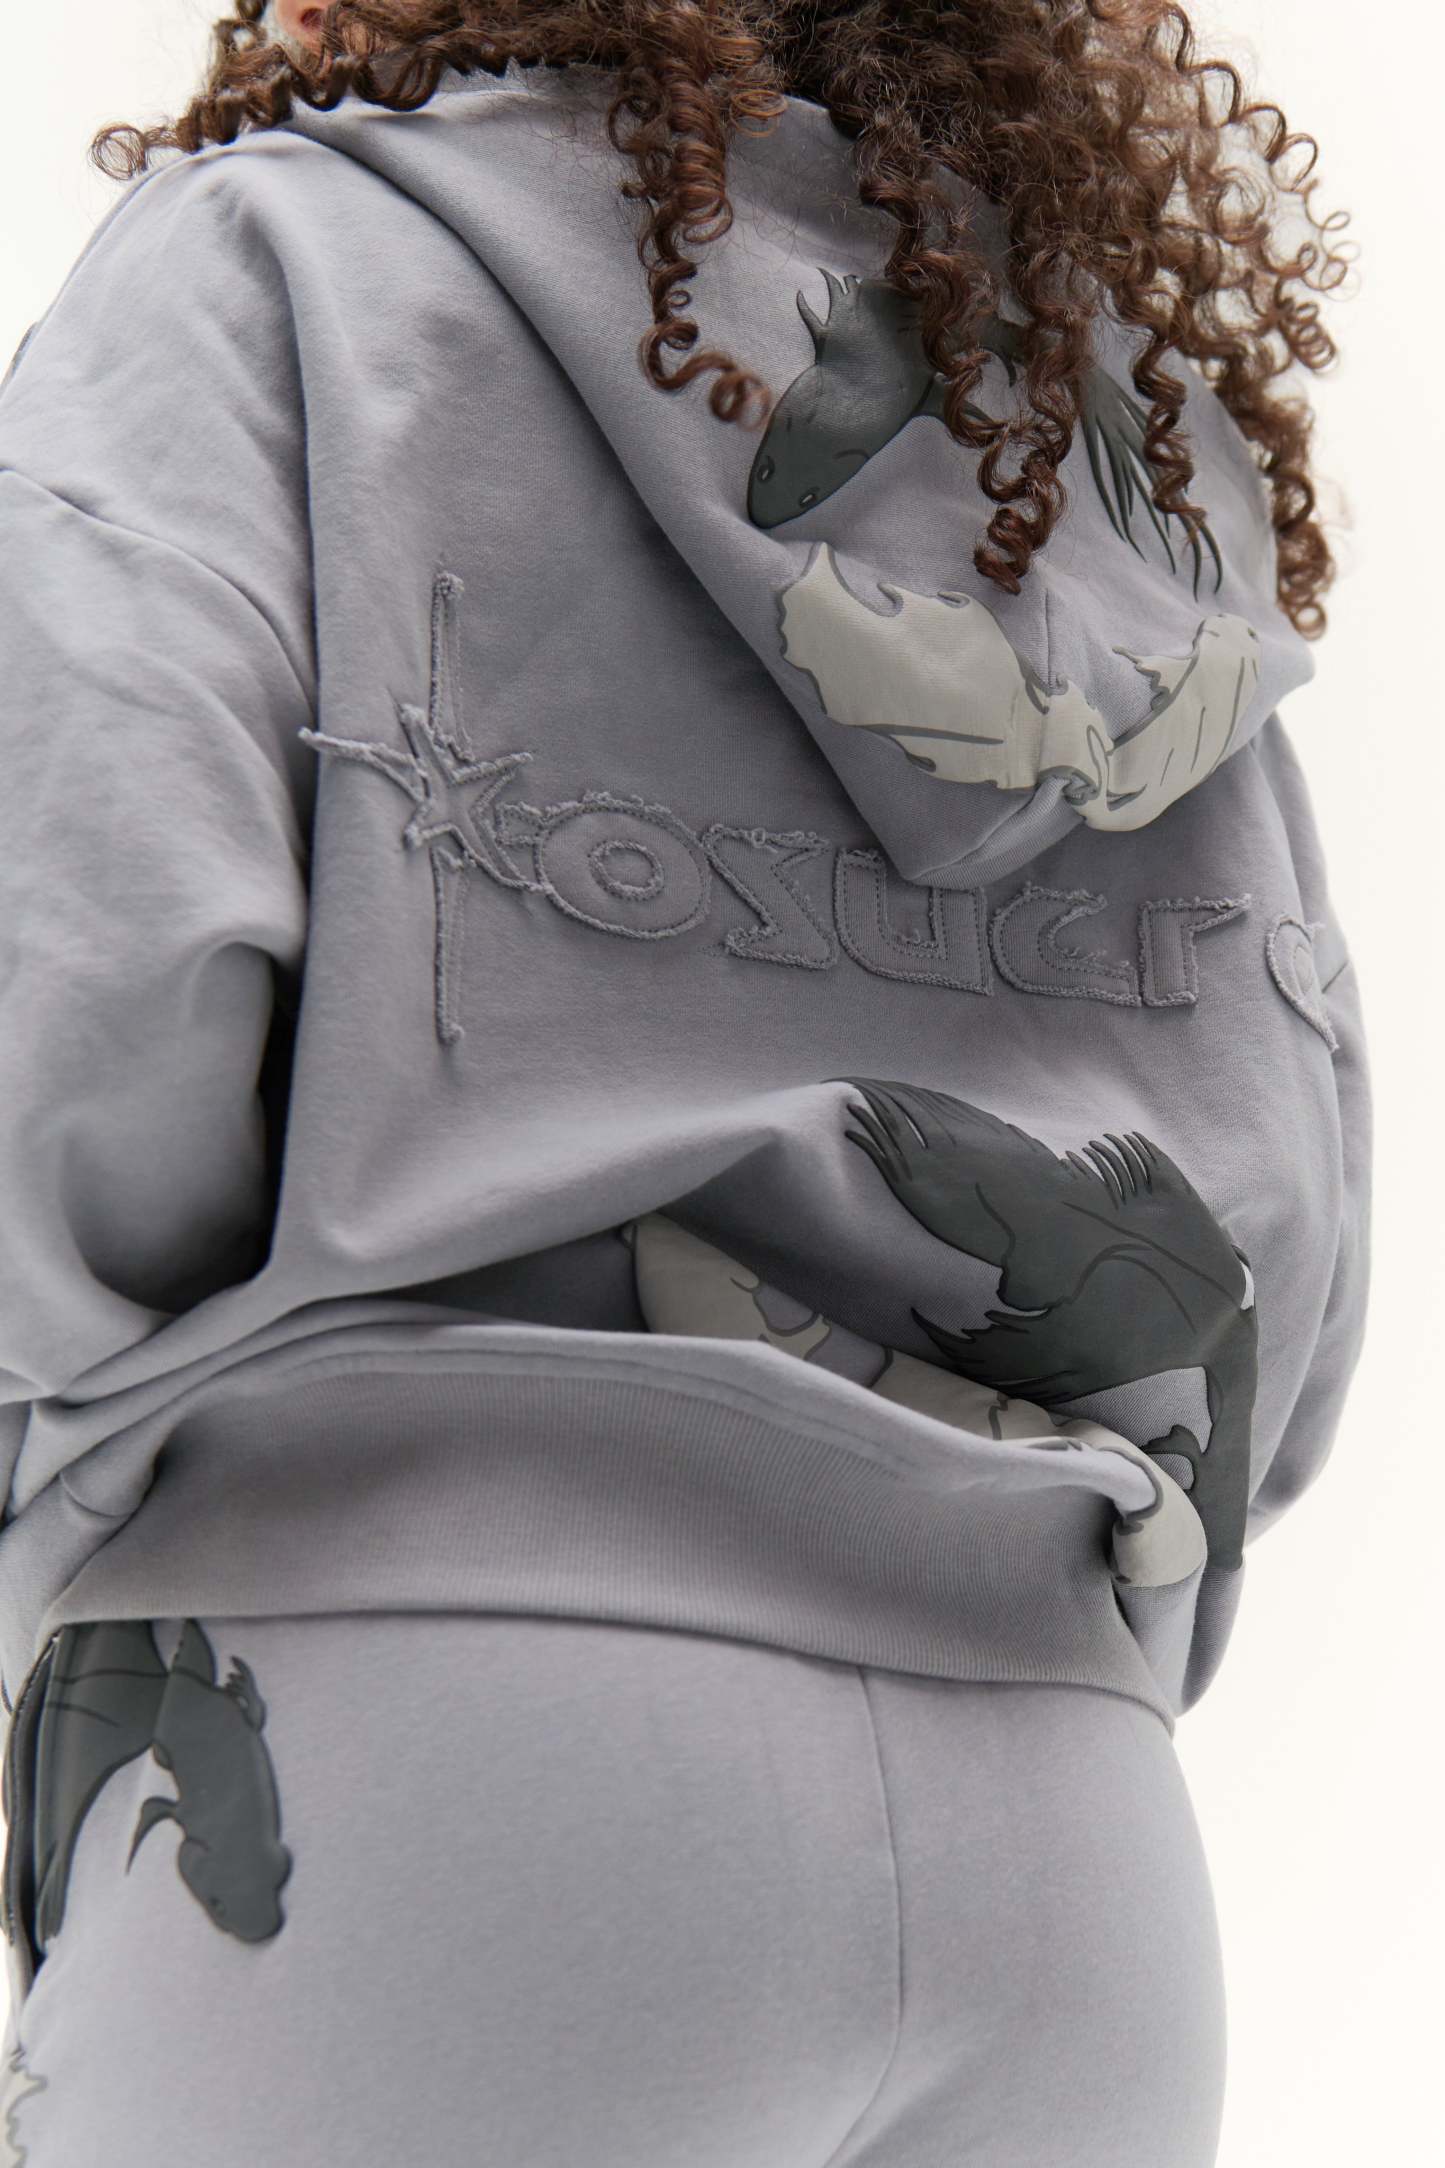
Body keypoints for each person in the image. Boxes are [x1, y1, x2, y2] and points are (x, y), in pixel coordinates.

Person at [0, 4, 1369, 2162]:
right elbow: (1283, 1186)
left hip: (411, 1735)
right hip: (1070, 1860)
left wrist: (121, 1432)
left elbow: (79, 986)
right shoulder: (1097, 450)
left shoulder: (283, 264)